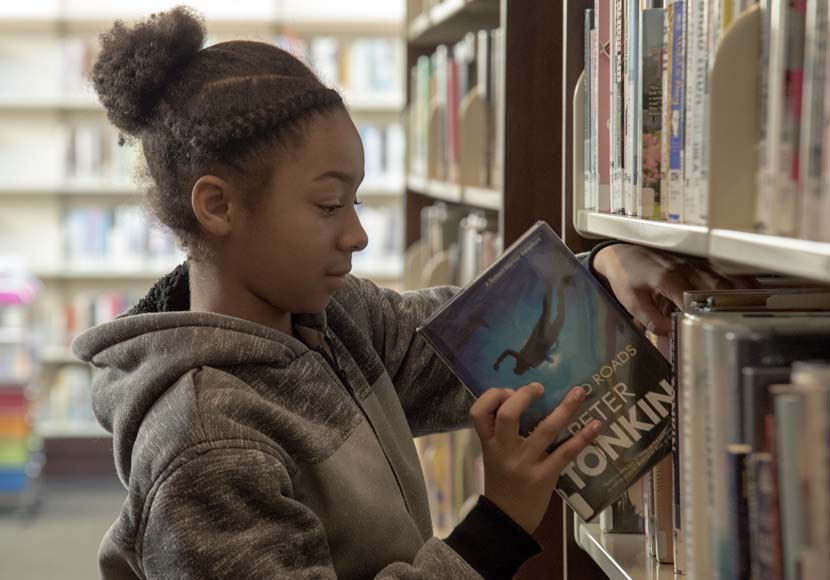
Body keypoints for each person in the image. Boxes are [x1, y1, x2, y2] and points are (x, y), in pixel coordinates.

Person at [72, 7, 745, 580]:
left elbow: (465, 331)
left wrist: (602, 268)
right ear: (219, 206)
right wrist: (498, 523)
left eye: (355, 201)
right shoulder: (206, 445)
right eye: (329, 205)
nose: (358, 234)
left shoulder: (328, 319)